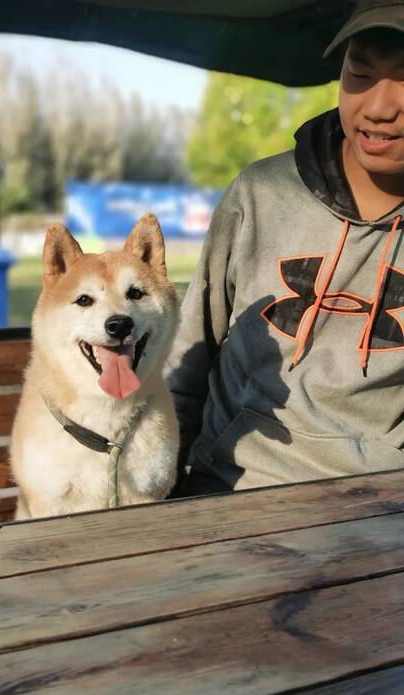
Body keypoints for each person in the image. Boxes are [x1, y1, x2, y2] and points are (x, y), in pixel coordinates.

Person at [168, 0, 404, 496]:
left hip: (380, 513)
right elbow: (186, 362)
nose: (379, 107)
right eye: (359, 71)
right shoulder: (261, 193)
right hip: (227, 491)